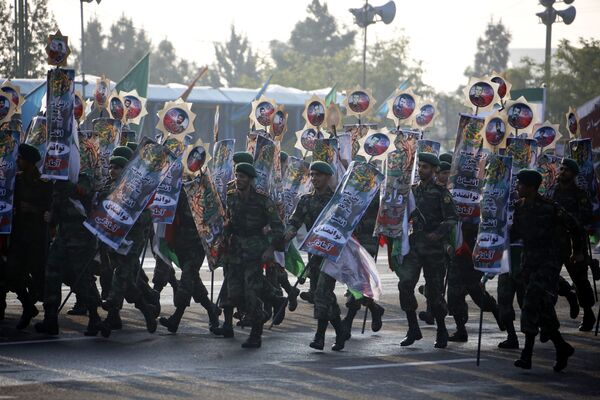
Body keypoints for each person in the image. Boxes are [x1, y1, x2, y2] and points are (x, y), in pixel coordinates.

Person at [511, 169, 583, 372]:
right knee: (543, 309)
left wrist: (577, 252)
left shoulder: (550, 208)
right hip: (529, 262)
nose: (518, 187)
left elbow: (575, 226)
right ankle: (562, 347)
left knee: (531, 301)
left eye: (521, 184)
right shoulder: (519, 207)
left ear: (532, 187)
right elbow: (515, 234)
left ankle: (527, 355)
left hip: (548, 262)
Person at [214, 162, 285, 348]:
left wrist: (271, 250)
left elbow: (278, 227)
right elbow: (229, 220)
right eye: (237, 176)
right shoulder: (231, 197)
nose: (239, 180)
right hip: (235, 249)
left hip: (255, 249)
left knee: (252, 292)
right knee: (235, 294)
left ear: (250, 180)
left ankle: (256, 334)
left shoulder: (263, 200)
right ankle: (275, 298)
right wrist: (223, 236)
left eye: (243, 177)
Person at [285, 161, 349, 351]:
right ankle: (340, 331)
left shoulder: (337, 201)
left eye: (318, 175)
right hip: (314, 254)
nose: (314, 178)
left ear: (328, 178)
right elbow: (295, 220)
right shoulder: (306, 200)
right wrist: (289, 232)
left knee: (321, 293)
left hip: (331, 255)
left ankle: (319, 337)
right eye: (312, 175)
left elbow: (346, 225)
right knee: (323, 296)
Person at [398, 152, 457, 349]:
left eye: (425, 167)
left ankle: (441, 328)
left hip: (433, 249)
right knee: (405, 284)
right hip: (414, 246)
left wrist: (438, 234)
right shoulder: (412, 191)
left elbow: (452, 218)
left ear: (434, 170)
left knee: (434, 293)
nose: (421, 170)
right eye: (420, 166)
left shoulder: (442, 194)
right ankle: (413, 328)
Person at [100, 150, 158, 334]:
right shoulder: (110, 187)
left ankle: (110, 318)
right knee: (128, 283)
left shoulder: (136, 189)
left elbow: (145, 217)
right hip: (113, 240)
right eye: (111, 167)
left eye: (117, 168)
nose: (112, 171)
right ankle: (147, 309)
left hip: (132, 241)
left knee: (120, 275)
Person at [1, 144, 52, 329]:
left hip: (37, 237)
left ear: (29, 162)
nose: (17, 161)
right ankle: (28, 307)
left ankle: (49, 318)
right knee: (12, 273)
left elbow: (51, 209)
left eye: (20, 158)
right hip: (19, 235)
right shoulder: (15, 180)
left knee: (41, 277)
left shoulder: (44, 183)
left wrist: (35, 210)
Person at [158, 190, 221, 333]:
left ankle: (176, 319)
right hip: (181, 242)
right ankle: (212, 312)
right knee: (194, 281)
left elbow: (212, 215)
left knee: (187, 280)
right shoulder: (178, 190)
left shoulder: (204, 189)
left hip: (197, 243)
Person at [545, 158, 596, 331]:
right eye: (561, 168)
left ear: (573, 174)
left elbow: (586, 218)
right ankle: (554, 313)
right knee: (548, 277)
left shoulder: (579, 193)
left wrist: (579, 246)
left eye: (566, 169)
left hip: (575, 242)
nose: (562, 171)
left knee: (580, 280)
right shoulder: (552, 189)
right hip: (554, 242)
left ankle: (588, 312)